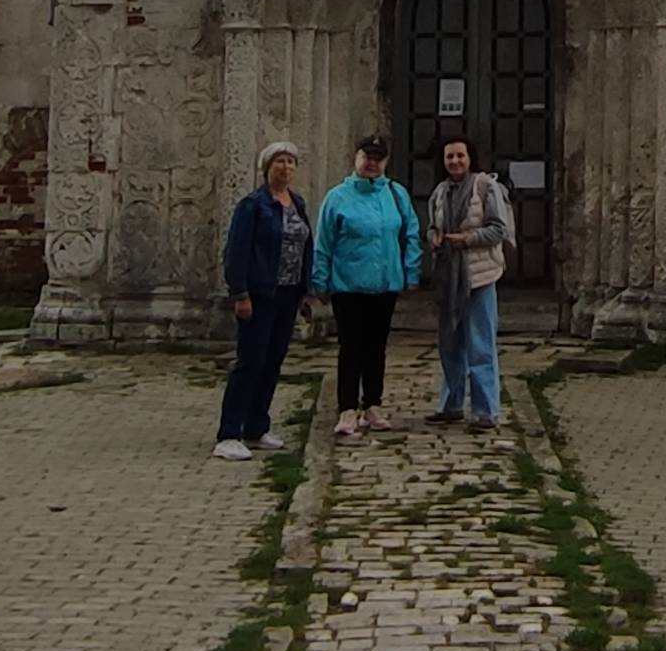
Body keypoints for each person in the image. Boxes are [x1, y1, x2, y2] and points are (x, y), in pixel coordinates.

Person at [308, 134, 422, 438]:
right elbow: (324, 242)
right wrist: (319, 280)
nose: (372, 163)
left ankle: (372, 404)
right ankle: (347, 407)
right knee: (351, 347)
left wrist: (411, 271)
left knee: (376, 347)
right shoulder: (338, 197)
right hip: (348, 285)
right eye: (367, 157)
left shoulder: (396, 194)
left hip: (385, 284)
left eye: (378, 158)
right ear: (356, 157)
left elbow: (411, 232)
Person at [211, 139, 312, 461]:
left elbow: (305, 245)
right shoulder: (253, 205)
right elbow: (237, 250)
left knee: (272, 360)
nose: (285, 167)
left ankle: (256, 425)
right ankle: (229, 432)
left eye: (290, 162)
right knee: (250, 361)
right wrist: (240, 293)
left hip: (288, 292)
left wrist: (306, 289)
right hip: (259, 292)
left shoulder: (297, 203)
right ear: (267, 167)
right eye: (279, 161)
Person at [425, 136, 516, 428]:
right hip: (449, 276)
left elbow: (498, 229)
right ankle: (451, 405)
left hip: (480, 276)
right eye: (449, 156)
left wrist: (468, 239)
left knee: (480, 343)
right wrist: (435, 238)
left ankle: (486, 410)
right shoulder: (440, 192)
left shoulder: (486, 187)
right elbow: (432, 226)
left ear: (470, 158)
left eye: (460, 156)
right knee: (450, 344)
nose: (455, 161)